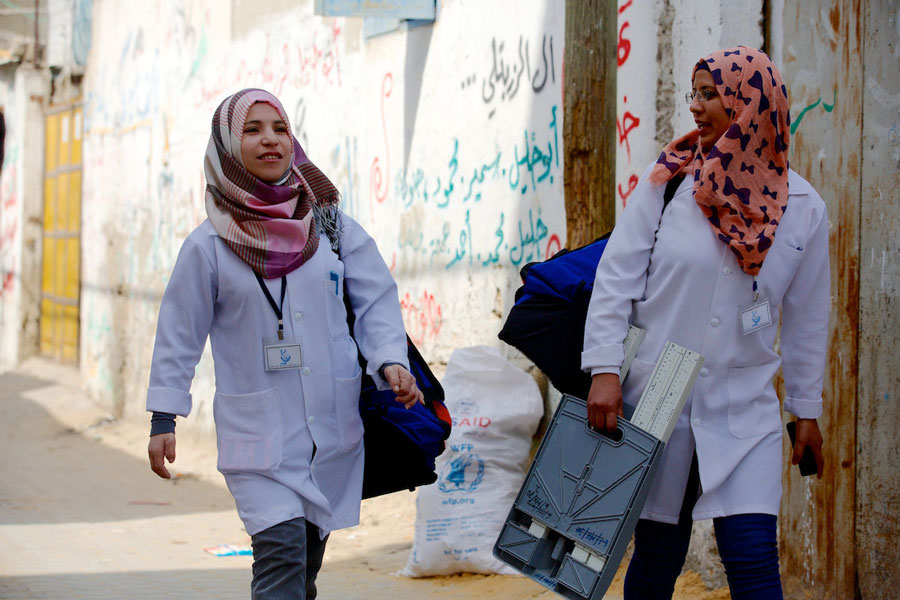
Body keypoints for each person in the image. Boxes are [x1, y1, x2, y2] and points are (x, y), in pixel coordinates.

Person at [146, 88, 422, 599]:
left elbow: (376, 297)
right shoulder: (207, 247)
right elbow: (178, 334)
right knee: (282, 560)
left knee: (303, 576)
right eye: (252, 130)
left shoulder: (331, 226)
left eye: (280, 128)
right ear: (228, 146)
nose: (270, 140)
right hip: (259, 445)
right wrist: (165, 415)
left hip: (331, 434)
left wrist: (389, 360)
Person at [582, 47, 828, 599]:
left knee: (754, 561)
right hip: (658, 394)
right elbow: (615, 279)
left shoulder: (804, 208)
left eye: (709, 93)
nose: (695, 106)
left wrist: (805, 412)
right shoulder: (668, 183)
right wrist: (604, 370)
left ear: (750, 103)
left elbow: (809, 317)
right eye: (693, 92)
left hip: (744, 402)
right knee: (656, 559)